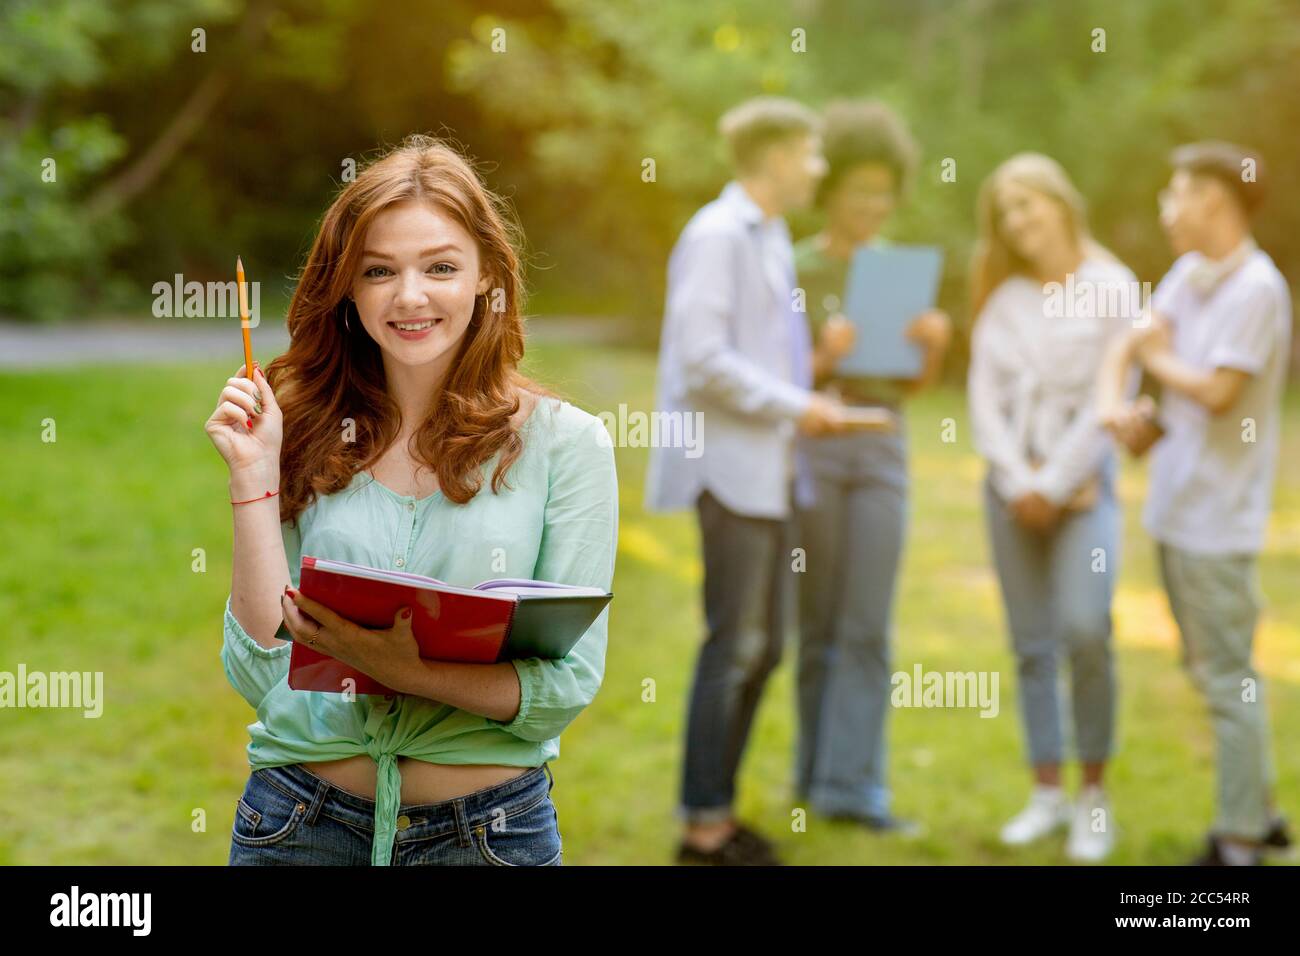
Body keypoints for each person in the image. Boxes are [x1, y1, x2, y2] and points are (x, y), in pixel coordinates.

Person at [205, 134, 618, 866]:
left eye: (441, 267)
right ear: (349, 288)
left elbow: (562, 690)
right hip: (297, 827)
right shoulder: (295, 428)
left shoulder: (569, 444)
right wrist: (252, 477)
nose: (410, 296)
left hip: (487, 838)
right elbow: (263, 673)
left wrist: (406, 671)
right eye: (379, 271)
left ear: (486, 275)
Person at [645, 96, 858, 865]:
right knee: (734, 644)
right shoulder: (717, 235)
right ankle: (702, 828)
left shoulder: (767, 237)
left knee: (765, 649)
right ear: (774, 155)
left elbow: (757, 352)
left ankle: (719, 811)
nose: (819, 167)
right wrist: (799, 404)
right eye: (811, 152)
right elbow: (702, 358)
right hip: (729, 472)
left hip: (770, 472)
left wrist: (814, 368)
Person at [1097, 142, 1293, 866]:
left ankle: (1239, 842)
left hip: (1218, 520)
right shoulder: (1190, 275)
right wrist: (1134, 411)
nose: (1165, 207)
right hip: (1175, 508)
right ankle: (1262, 810)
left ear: (1214, 199)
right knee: (1208, 668)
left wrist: (1152, 363)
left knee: (1226, 677)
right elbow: (1163, 370)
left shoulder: (1256, 289)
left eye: (1176, 193)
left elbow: (1216, 392)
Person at [968, 153, 1140, 862]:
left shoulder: (1113, 286)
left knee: (1084, 628)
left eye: (1027, 204)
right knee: (1031, 643)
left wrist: (1059, 481)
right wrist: (1019, 483)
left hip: (1083, 490)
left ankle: (1093, 799)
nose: (1017, 221)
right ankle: (1046, 792)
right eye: (1006, 213)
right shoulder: (1005, 299)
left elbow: (1114, 395)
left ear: (1061, 203)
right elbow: (982, 403)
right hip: (1012, 493)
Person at [792, 100, 950, 836]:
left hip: (883, 443)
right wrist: (824, 356)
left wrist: (932, 348)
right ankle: (816, 774)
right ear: (830, 191)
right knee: (818, 619)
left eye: (884, 192)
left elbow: (912, 382)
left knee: (868, 623)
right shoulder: (793, 264)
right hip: (816, 442)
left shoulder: (898, 269)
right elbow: (772, 376)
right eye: (860, 190)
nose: (872, 205)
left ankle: (854, 788)